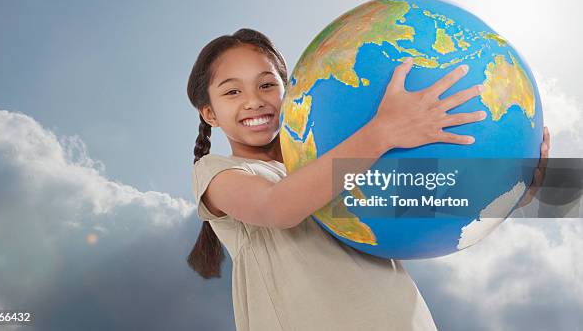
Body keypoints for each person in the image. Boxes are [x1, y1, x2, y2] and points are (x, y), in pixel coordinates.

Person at [185, 28, 549, 331]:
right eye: (232, 91)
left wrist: (518, 189)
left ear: (288, 90)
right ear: (210, 113)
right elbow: (277, 207)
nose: (253, 101)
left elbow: (434, 201)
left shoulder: (343, 163)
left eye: (267, 85)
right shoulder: (217, 173)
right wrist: (383, 132)